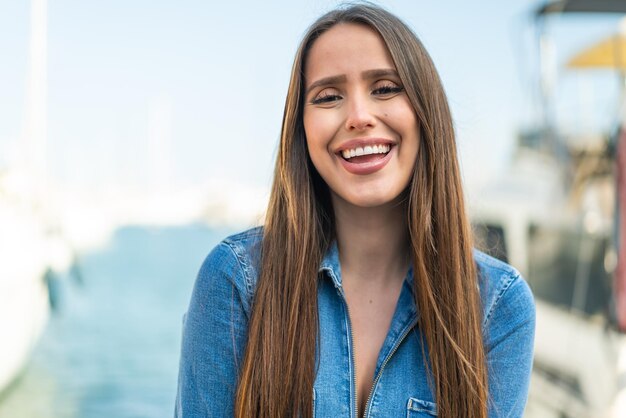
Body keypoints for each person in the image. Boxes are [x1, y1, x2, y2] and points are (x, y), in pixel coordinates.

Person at [175, 3, 535, 417]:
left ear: (426, 112)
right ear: (301, 129)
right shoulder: (236, 281)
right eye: (328, 97)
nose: (359, 117)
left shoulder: (498, 307)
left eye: (384, 88)